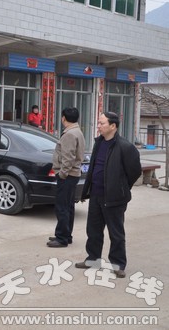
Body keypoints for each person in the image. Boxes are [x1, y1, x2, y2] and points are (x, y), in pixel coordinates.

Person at [75, 112, 141, 278]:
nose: (98, 126)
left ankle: (118, 264)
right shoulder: (99, 143)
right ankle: (93, 259)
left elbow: (134, 171)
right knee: (93, 231)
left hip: (114, 198)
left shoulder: (125, 147)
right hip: (96, 194)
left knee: (116, 233)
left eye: (102, 123)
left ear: (113, 126)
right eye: (98, 123)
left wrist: (121, 187)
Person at [47, 107, 86, 248]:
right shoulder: (77, 131)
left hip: (68, 175)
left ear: (63, 118)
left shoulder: (70, 134)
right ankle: (66, 235)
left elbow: (68, 158)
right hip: (73, 175)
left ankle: (62, 238)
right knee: (68, 206)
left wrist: (62, 174)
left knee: (62, 207)